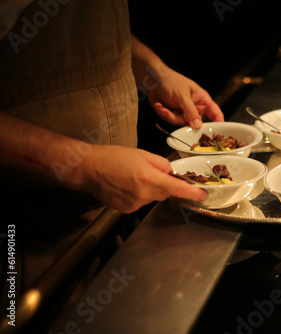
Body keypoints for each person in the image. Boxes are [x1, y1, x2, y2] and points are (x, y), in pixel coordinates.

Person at [0, 0, 224, 291]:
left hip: (107, 219)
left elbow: (79, 25)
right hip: (28, 237)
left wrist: (153, 69)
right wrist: (84, 165)